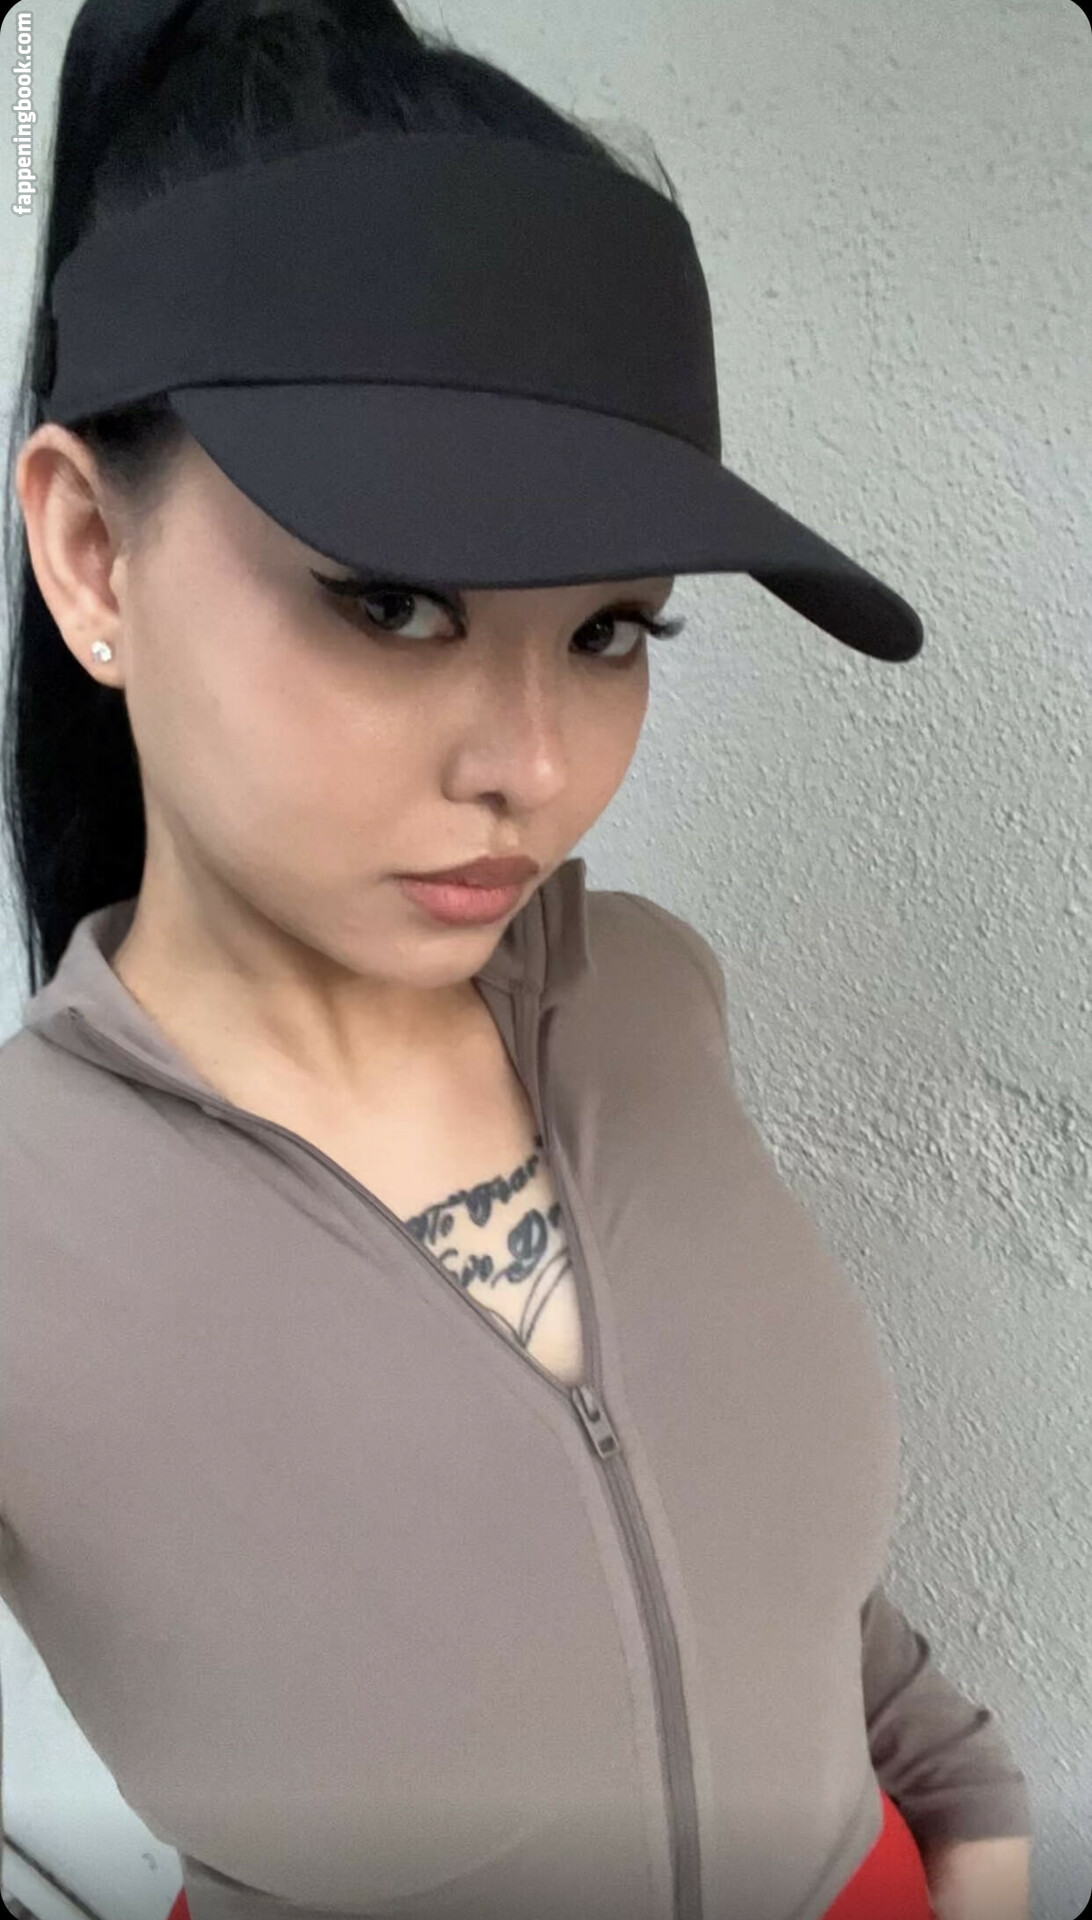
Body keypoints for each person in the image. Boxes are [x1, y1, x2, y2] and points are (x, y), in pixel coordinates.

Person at [0, 3, 1031, 1919]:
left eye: (611, 630)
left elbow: (787, 1606)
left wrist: (977, 1821)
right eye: (393, 603)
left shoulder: (649, 996)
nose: (534, 769)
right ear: (90, 551)